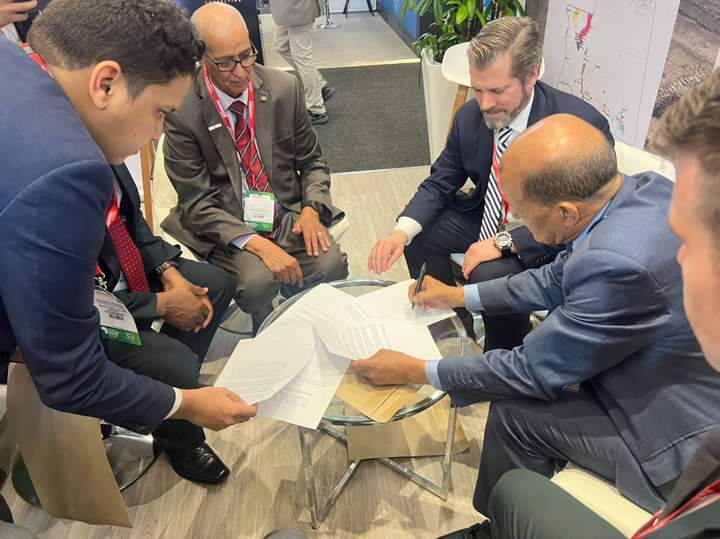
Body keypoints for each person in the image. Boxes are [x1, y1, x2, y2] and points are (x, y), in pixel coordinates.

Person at [352, 114, 720, 526]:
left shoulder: (616, 263)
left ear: (565, 212)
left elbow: (528, 370)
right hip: (674, 375)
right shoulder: (643, 191)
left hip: (680, 446)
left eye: (522, 213)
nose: (515, 221)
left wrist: (415, 370)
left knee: (513, 414)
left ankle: (502, 525)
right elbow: (556, 277)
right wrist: (457, 295)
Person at [0, 0, 258, 491]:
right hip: (67, 313)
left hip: (109, 281)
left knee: (209, 289)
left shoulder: (15, 63)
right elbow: (70, 376)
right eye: (160, 113)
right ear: (106, 83)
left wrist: (168, 274)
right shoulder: (66, 172)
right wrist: (186, 403)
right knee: (174, 370)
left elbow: (133, 225)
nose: (158, 133)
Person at [478, 69, 720, 539]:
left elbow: (532, 367)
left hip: (670, 456)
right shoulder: (643, 200)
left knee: (514, 493)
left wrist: (424, 372)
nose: (678, 258)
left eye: (692, 240)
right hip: (650, 402)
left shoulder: (622, 258)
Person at [368, 16, 613, 349]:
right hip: (487, 217)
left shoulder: (580, 126)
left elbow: (586, 217)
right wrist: (402, 231)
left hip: (543, 236)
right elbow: (441, 181)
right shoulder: (470, 117)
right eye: (477, 89)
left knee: (489, 274)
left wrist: (504, 243)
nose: (484, 103)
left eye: (497, 91)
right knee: (419, 235)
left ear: (531, 76)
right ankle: (454, 324)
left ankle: (503, 351)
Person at [162, 2, 348, 331]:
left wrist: (311, 210)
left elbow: (313, 162)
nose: (240, 71)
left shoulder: (284, 88)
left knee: (331, 264)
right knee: (257, 282)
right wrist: (258, 245)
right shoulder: (182, 110)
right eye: (225, 63)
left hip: (283, 212)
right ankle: (267, 330)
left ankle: (305, 322)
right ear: (201, 57)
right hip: (226, 222)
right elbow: (197, 203)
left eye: (246, 55)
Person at [267, 0, 334, 125]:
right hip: (288, 8)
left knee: (302, 56)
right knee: (281, 45)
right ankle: (320, 85)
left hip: (298, 8)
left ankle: (316, 109)